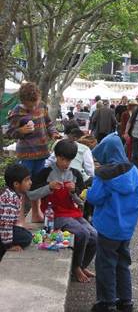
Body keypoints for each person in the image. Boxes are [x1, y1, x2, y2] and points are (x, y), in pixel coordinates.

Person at [27, 139, 97, 283]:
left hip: (73, 213)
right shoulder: (46, 173)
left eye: (69, 160)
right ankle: (76, 267)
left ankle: (82, 265)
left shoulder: (75, 174)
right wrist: (49, 187)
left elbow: (82, 202)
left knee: (95, 235)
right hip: (55, 215)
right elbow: (31, 195)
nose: (65, 163)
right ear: (56, 156)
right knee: (82, 233)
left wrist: (74, 192)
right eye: (62, 159)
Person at [87, 133, 138, 312]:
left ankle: (107, 302)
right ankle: (125, 301)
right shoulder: (133, 171)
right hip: (127, 227)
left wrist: (86, 193)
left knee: (105, 265)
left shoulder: (103, 175)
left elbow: (95, 198)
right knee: (123, 263)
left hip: (107, 226)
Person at [7, 82, 61, 223]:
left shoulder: (42, 106)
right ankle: (20, 219)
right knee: (22, 187)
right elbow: (8, 132)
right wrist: (21, 131)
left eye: (34, 103)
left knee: (37, 184)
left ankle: (36, 213)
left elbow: (48, 123)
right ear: (23, 101)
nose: (33, 107)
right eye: (29, 105)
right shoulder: (17, 111)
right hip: (26, 156)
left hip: (42, 153)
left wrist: (54, 133)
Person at [0, 164, 33, 261]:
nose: (30, 182)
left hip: (4, 227)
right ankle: (3, 246)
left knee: (25, 233)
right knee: (26, 238)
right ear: (16, 184)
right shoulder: (10, 200)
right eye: (27, 180)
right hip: (2, 229)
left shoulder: (14, 194)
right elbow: (5, 224)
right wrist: (9, 245)